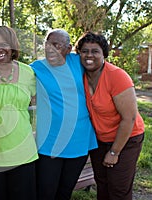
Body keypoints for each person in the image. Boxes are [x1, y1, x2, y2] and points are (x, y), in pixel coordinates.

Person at [75, 31, 145, 200]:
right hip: (100, 139)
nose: (89, 55)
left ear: (104, 54)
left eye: (95, 51)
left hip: (126, 138)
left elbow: (129, 118)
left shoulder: (116, 76)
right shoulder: (80, 74)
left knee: (118, 189)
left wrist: (114, 152)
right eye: (84, 51)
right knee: (103, 184)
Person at [30, 29, 98, 200]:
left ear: (68, 49)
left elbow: (102, 68)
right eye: (48, 44)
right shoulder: (36, 68)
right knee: (45, 192)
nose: (51, 49)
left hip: (79, 140)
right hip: (50, 142)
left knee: (65, 192)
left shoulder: (79, 62)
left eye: (57, 46)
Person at [0, 26, 38, 200]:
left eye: (3, 43)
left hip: (24, 150)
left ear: (13, 46)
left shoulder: (28, 73)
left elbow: (36, 100)